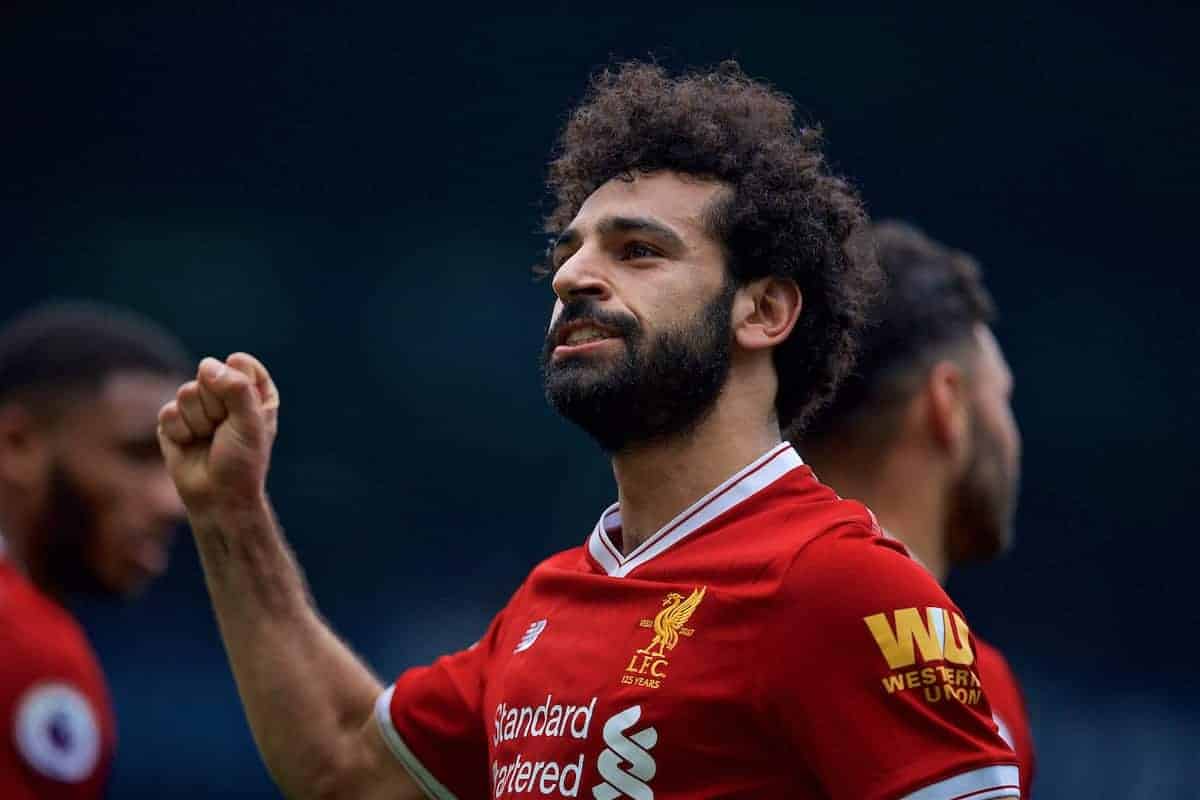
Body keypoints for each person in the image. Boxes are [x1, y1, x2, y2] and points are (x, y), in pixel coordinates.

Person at [158, 62, 1021, 799]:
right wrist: (230, 514)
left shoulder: (841, 584)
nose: (574, 275)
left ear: (763, 310)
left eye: (637, 251)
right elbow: (345, 763)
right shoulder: (550, 601)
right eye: (570, 252)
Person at [797, 220, 1035, 796]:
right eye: (1002, 399)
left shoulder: (698, 613)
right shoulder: (978, 690)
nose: (1013, 436)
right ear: (947, 403)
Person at [0, 302, 189, 799]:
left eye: (178, 461)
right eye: (137, 455)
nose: (174, 501)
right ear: (17, 444)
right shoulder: (24, 647)